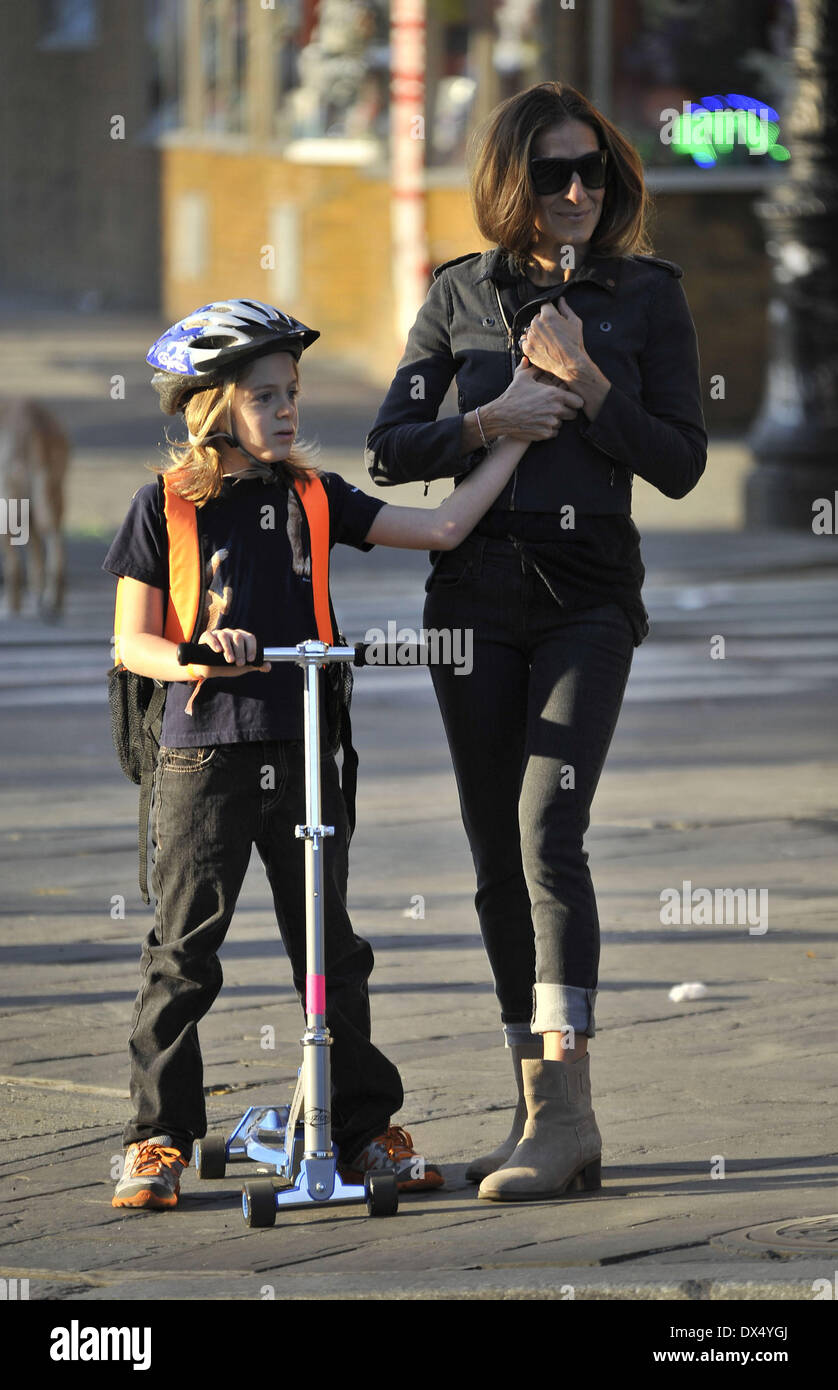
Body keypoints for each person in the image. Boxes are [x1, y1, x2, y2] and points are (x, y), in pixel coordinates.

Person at [104, 298, 549, 1210]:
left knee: (333, 952)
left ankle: (360, 1133)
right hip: (203, 757)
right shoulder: (164, 506)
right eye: (265, 395)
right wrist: (198, 652)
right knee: (185, 954)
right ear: (212, 406)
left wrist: (515, 437)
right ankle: (156, 1142)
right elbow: (132, 644)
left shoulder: (314, 496)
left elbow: (442, 528)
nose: (287, 409)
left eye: (292, 392)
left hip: (307, 748)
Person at [365, 81, 708, 1201]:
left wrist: (589, 380)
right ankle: (535, 1117)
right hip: (472, 601)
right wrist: (487, 420)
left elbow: (680, 459)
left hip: (587, 596)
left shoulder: (647, 294)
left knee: (547, 828)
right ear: (512, 181)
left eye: (591, 172)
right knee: (493, 860)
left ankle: (567, 1112)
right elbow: (388, 447)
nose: (575, 192)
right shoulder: (458, 293)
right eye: (553, 173)